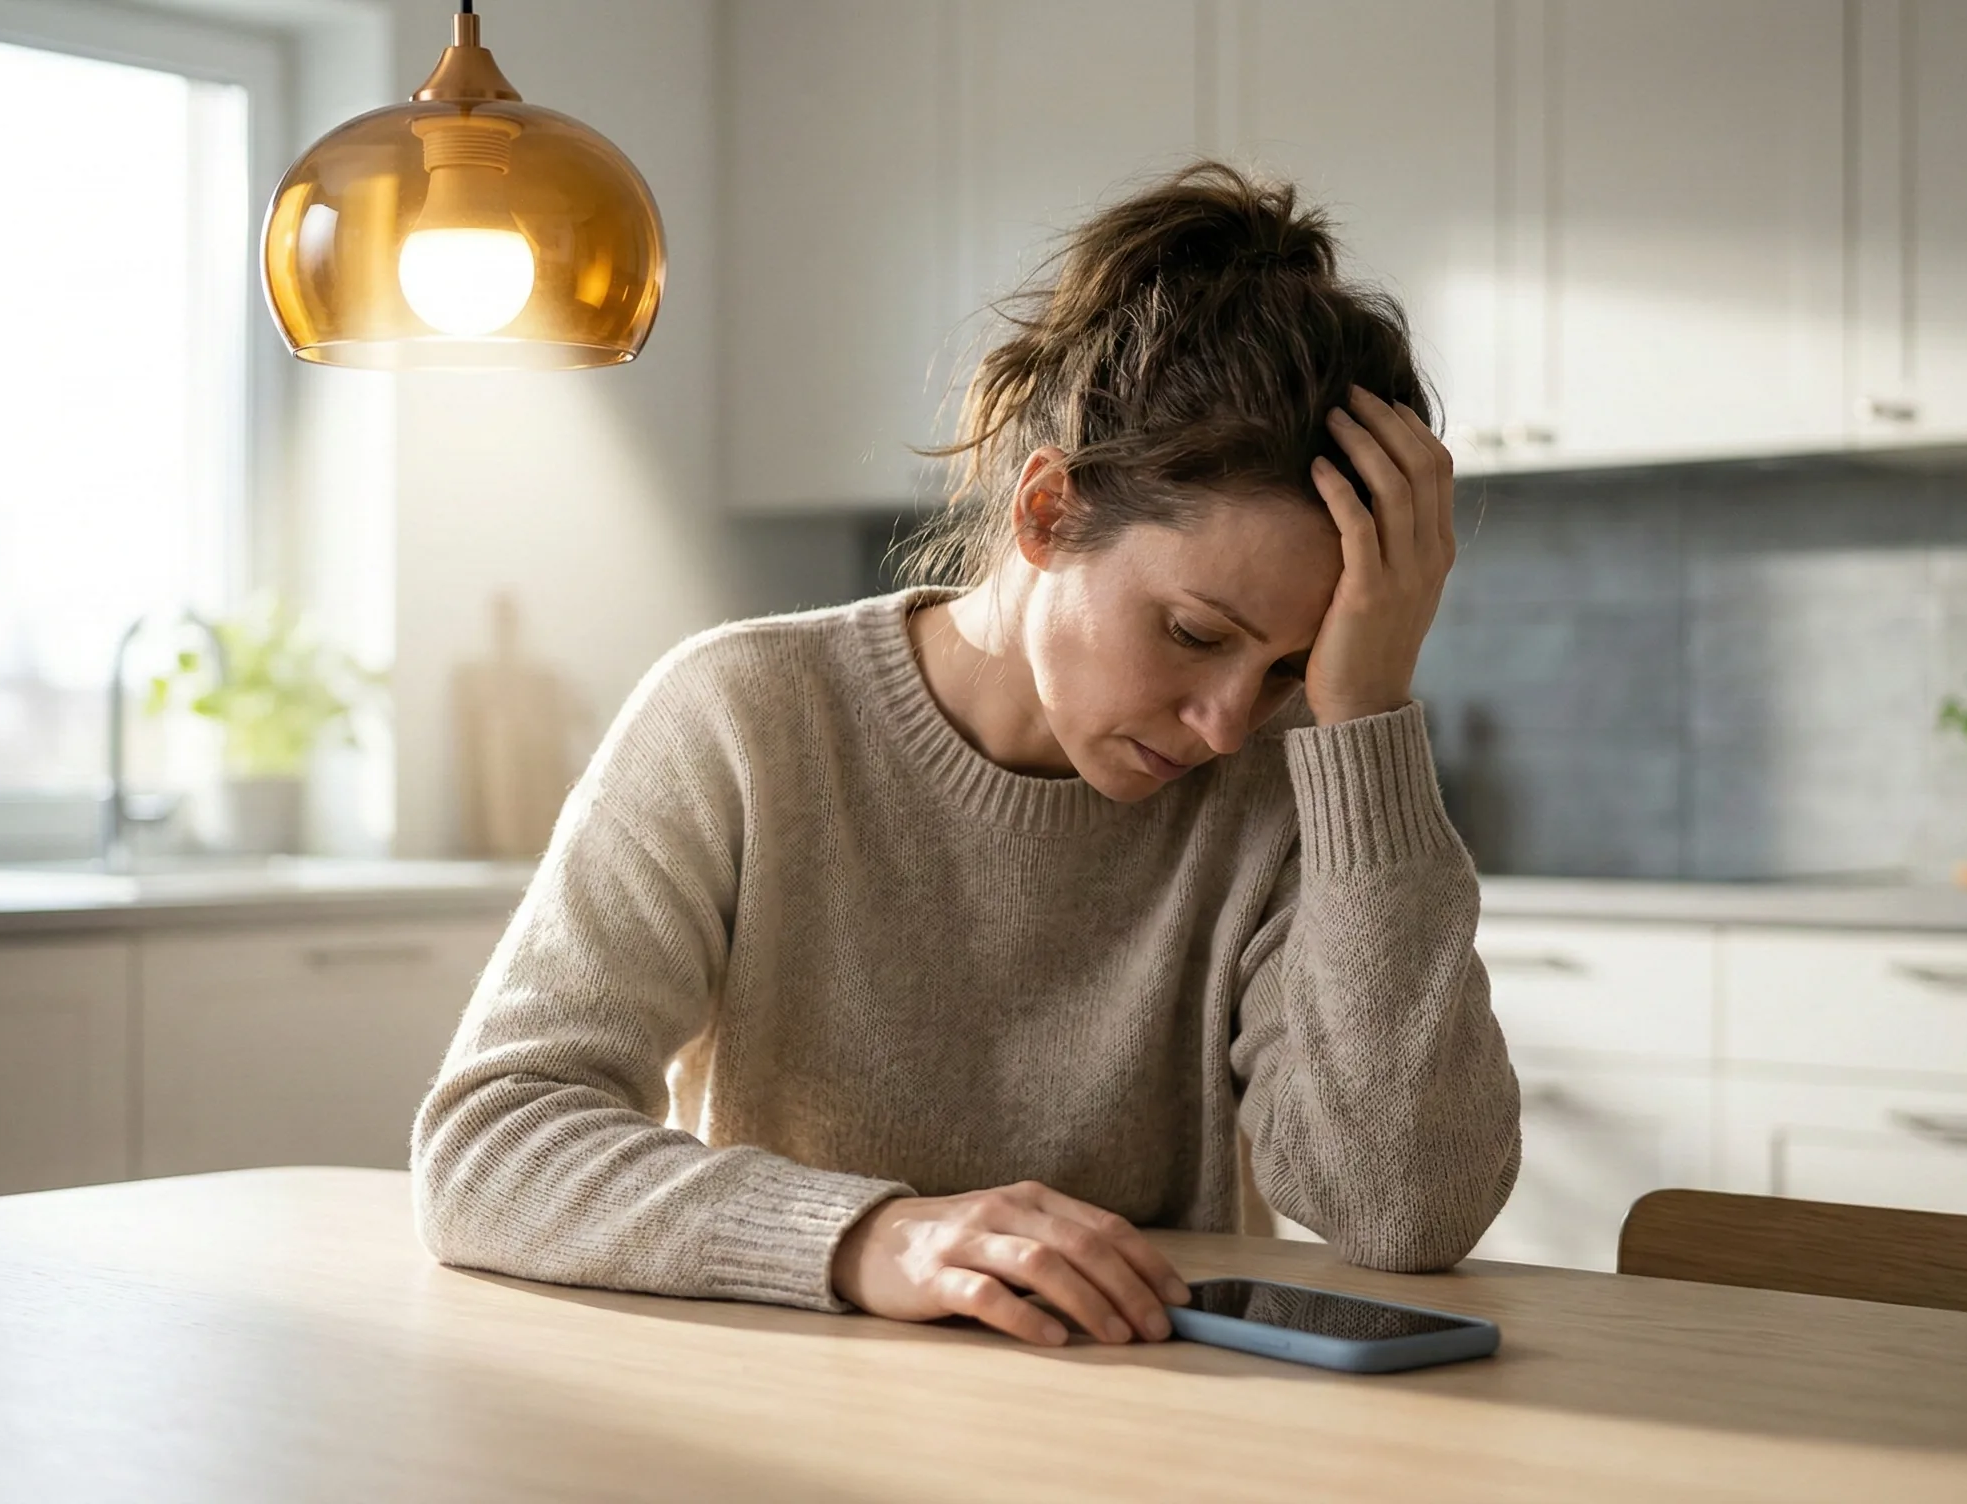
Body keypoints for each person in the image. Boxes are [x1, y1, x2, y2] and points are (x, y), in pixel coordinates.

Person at [413, 161, 1520, 1349]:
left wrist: (1363, 725)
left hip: (1144, 1431)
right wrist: (871, 1238)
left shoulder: (1293, 779)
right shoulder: (744, 714)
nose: (1223, 723)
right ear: (1044, 513)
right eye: (1194, 633)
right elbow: (490, 1146)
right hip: (780, 1421)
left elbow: (1405, 1210)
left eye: (1288, 668)